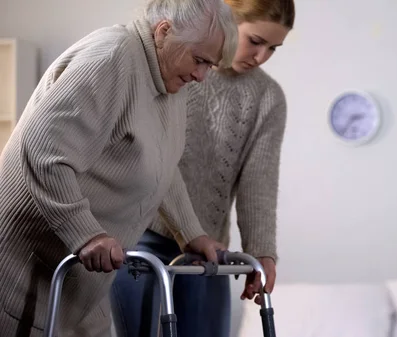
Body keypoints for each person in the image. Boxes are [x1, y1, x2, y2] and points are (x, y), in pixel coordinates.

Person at [0, 0, 238, 336]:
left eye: (209, 66)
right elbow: (43, 149)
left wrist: (191, 234)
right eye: (199, 60)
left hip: (85, 285)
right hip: (25, 277)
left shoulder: (170, 81)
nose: (201, 76)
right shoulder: (111, 58)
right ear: (164, 31)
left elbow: (162, 167)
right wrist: (85, 233)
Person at [110, 0, 295, 336]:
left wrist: (262, 252)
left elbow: (259, 183)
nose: (261, 56)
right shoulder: (177, 68)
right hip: (140, 236)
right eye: (255, 41)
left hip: (208, 251)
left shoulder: (268, 97)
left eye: (273, 48)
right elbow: (153, 157)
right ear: (226, 19)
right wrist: (186, 229)